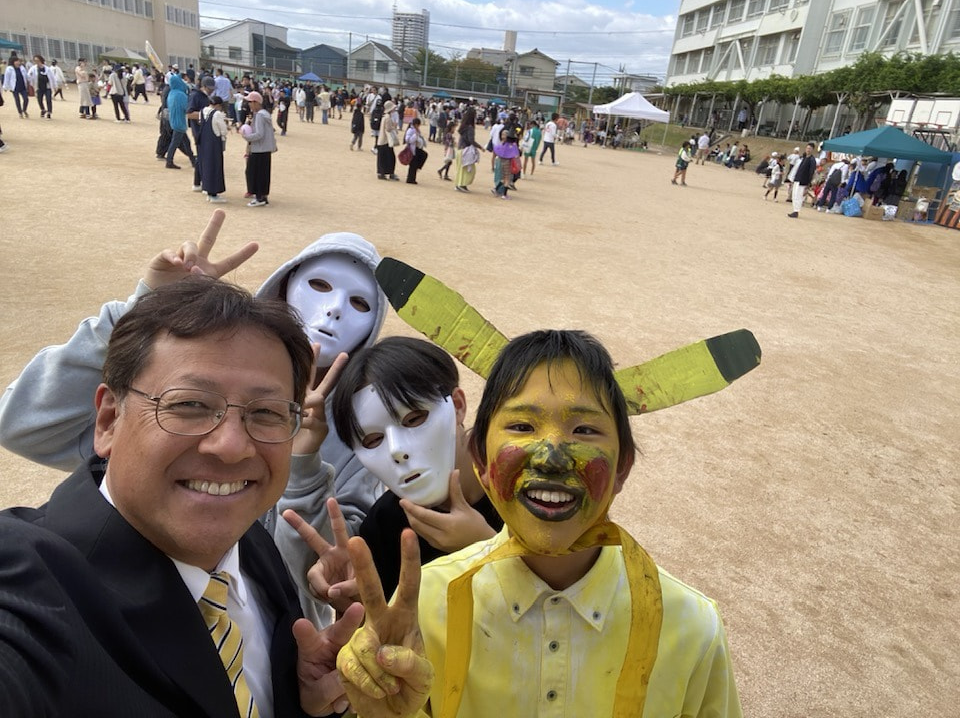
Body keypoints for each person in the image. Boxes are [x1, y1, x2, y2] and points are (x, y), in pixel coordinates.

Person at [0, 277, 369, 717]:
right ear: (109, 420)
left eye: (266, 413)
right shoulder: (28, 584)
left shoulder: (247, 545)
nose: (232, 447)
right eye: (189, 405)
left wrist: (312, 703)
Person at [0, 215, 390, 627]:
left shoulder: (364, 433)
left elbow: (330, 568)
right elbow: (23, 425)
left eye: (359, 303)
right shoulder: (49, 598)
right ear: (284, 287)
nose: (332, 311)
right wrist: (148, 312)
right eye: (190, 405)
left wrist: (306, 466)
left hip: (279, 635)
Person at [337, 329, 743, 718]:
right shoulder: (425, 610)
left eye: (584, 429)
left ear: (622, 467)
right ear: (479, 457)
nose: (551, 457)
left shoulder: (692, 627)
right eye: (522, 426)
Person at [294, 336, 503, 605]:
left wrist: (487, 550)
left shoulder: (526, 491)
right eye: (372, 440)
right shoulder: (384, 527)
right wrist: (359, 605)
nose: (397, 449)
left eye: (414, 419)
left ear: (458, 406)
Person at [242, 91, 277, 207]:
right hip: (265, 149)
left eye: (250, 102)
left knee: (255, 173)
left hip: (259, 149)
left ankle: (259, 197)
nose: (249, 105)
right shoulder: (265, 114)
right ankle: (263, 196)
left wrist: (246, 137)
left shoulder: (259, 115)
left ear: (256, 102)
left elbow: (259, 134)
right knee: (264, 173)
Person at [198, 96, 228, 203]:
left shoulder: (202, 111)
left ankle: (206, 188)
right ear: (218, 105)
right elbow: (223, 129)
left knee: (205, 165)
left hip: (203, 142)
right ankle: (213, 193)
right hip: (214, 143)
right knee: (215, 166)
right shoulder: (217, 114)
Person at [454, 106, 483, 193]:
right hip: (466, 150)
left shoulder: (463, 126)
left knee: (461, 169)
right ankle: (462, 185)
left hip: (460, 149)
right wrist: (480, 147)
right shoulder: (470, 128)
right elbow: (471, 140)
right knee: (469, 170)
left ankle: (459, 184)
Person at [164, 72, 189, 169]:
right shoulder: (181, 94)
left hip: (173, 120)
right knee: (175, 143)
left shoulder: (171, 93)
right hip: (180, 121)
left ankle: (192, 158)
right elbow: (186, 108)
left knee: (183, 142)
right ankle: (169, 161)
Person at [788, 142, 818, 219]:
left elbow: (811, 172)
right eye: (807, 148)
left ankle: (796, 211)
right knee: (794, 195)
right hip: (797, 178)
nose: (808, 150)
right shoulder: (803, 158)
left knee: (798, 196)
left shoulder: (812, 160)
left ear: (812, 150)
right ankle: (795, 209)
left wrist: (808, 184)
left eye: (810, 149)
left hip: (803, 181)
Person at [375, 99, 399, 181]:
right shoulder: (388, 117)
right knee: (390, 158)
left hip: (382, 140)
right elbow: (388, 129)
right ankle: (390, 173)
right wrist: (394, 127)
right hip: (386, 141)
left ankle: (382, 173)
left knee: (382, 158)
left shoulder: (384, 116)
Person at [27, 54, 56, 120]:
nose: (37, 62)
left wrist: (55, 86)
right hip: (39, 87)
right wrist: (30, 78)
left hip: (47, 87)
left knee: (48, 99)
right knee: (39, 100)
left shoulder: (47, 69)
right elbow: (28, 76)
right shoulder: (33, 68)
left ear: (41, 60)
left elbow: (52, 77)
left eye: (38, 60)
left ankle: (49, 112)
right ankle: (43, 109)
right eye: (35, 61)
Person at [403, 117, 428, 185]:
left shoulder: (417, 130)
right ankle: (410, 179)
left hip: (417, 148)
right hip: (412, 149)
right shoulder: (411, 130)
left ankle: (413, 177)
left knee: (420, 159)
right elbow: (408, 140)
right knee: (413, 165)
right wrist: (415, 136)